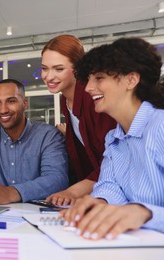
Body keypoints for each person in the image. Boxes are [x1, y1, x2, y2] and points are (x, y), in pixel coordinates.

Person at [61, 37, 164, 240]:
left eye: (99, 78)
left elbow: (139, 213)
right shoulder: (113, 139)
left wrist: (145, 213)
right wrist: (99, 201)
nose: (89, 87)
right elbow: (110, 185)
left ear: (131, 80)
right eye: (89, 79)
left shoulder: (160, 126)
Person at [41, 35, 116, 206]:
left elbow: (113, 159)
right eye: (45, 68)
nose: (49, 76)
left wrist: (72, 192)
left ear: (77, 68)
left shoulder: (94, 98)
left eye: (58, 69)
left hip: (116, 190)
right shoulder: (65, 100)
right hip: (97, 189)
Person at [0, 79, 68, 205]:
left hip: (40, 215)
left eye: (11, 101)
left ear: (25, 104)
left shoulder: (48, 135)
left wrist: (11, 193)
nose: (3, 109)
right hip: (1, 215)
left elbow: (57, 179)